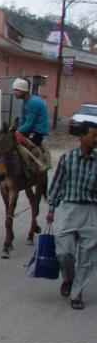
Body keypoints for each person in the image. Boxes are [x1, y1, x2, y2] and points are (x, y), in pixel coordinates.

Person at [46, 121, 97, 310]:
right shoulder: (68, 158)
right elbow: (57, 184)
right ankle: (69, 278)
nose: (96, 139)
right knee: (64, 252)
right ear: (82, 137)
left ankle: (77, 294)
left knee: (88, 257)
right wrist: (51, 208)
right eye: (93, 135)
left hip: (91, 211)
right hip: (69, 209)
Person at [12, 78, 49, 147]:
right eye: (14, 89)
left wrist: (18, 131)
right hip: (30, 130)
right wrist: (16, 130)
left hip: (37, 132)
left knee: (18, 146)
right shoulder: (25, 102)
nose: (14, 92)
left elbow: (29, 123)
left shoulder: (33, 102)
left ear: (24, 90)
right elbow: (22, 120)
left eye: (17, 89)